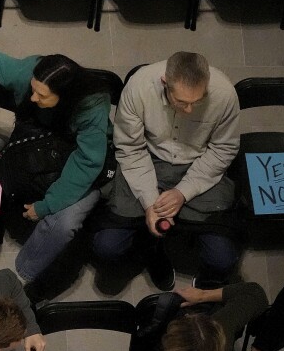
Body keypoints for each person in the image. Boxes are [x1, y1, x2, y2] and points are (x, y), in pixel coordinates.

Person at [0, 47, 112, 288]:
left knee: (62, 224)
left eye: (42, 96)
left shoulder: (91, 107)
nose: (32, 98)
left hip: (75, 159)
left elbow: (87, 162)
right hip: (36, 143)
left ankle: (22, 276)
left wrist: (46, 206)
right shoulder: (31, 73)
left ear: (66, 96)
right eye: (33, 90)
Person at [92, 52, 240, 291]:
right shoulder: (138, 87)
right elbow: (130, 148)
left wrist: (183, 192)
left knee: (223, 258)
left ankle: (200, 276)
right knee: (107, 246)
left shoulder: (224, 94)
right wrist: (150, 202)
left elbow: (223, 149)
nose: (190, 109)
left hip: (199, 165)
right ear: (165, 83)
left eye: (198, 100)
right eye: (182, 101)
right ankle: (151, 249)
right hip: (147, 159)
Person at [130, 282, 268, 351]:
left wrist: (203, 295)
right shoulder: (222, 326)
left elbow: (255, 293)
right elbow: (254, 293)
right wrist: (202, 295)